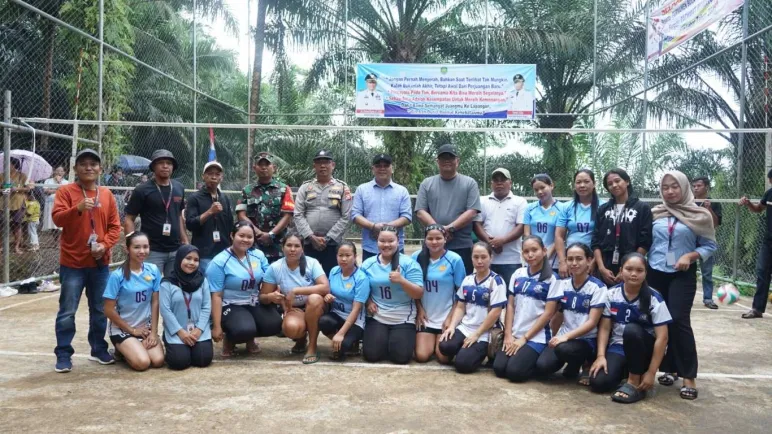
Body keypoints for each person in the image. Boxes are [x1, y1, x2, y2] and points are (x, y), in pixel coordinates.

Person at [648, 171, 716, 400]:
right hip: (655, 272)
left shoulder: (699, 214)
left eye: (675, 186)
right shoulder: (655, 213)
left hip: (682, 273)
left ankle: (688, 375)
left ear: (684, 187)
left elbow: (709, 245)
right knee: (660, 322)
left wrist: (690, 255)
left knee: (678, 320)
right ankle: (669, 367)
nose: (670, 191)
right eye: (665, 187)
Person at [52, 149, 121, 373]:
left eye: (93, 164)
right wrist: (78, 209)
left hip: (99, 264)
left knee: (100, 309)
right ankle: (63, 353)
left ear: (100, 169)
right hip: (72, 263)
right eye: (83, 164)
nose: (89, 167)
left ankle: (98, 348)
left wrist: (104, 245)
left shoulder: (107, 194)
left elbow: (115, 227)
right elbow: (57, 219)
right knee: (67, 311)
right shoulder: (66, 192)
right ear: (75, 168)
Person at [589, 253, 671, 404]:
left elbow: (662, 337)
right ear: (621, 271)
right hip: (619, 346)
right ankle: (624, 373)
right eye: (629, 269)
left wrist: (652, 372)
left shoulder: (654, 298)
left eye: (639, 270)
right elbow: (605, 328)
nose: (634, 274)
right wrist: (601, 356)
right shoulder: (611, 294)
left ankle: (634, 381)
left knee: (632, 330)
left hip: (644, 350)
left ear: (646, 273)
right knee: (598, 383)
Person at [207, 220, 283, 356]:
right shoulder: (219, 262)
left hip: (253, 301)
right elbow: (216, 296)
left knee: (275, 324)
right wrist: (217, 326)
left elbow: (269, 278)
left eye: (249, 237)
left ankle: (249, 338)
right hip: (230, 304)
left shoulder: (258, 255)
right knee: (243, 329)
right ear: (232, 235)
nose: (245, 240)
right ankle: (231, 338)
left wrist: (273, 293)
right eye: (241, 236)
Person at [493, 236, 562, 383]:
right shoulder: (518, 274)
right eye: (526, 251)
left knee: (514, 372)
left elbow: (548, 313)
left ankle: (539, 360)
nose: (530, 255)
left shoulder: (553, 278)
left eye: (534, 250)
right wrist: (508, 335)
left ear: (544, 251)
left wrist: (524, 339)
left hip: (536, 336)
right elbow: (510, 306)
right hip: (515, 333)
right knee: (499, 368)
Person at [535, 243, 607, 385]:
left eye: (579, 259)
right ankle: (572, 365)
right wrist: (553, 336)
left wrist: (565, 337)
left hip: (586, 340)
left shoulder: (598, 287)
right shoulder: (563, 285)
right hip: (565, 337)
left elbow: (592, 322)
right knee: (542, 366)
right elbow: (558, 314)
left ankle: (585, 362)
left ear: (589, 260)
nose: (574, 263)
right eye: (570, 259)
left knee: (564, 349)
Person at [261, 233, 330, 364]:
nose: (292, 249)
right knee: (291, 329)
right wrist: (271, 297)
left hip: (315, 307)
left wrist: (296, 291)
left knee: (314, 298)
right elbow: (262, 296)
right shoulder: (275, 267)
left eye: (297, 246)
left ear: (302, 248)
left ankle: (312, 346)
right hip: (294, 309)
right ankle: (301, 338)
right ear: (282, 247)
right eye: (289, 245)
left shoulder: (312, 263)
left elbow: (325, 287)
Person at [439, 242, 507, 373]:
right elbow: (460, 307)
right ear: (471, 258)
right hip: (466, 327)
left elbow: (495, 312)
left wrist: (476, 334)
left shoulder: (496, 281)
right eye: (476, 257)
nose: (479, 261)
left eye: (483, 257)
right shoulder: (468, 279)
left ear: (491, 258)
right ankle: (466, 350)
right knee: (445, 346)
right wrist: (452, 326)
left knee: (462, 365)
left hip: (484, 332)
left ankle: (480, 352)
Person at [362, 226, 424, 364]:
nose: (386, 245)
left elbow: (418, 293)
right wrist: (368, 302)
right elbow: (361, 290)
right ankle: (383, 340)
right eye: (382, 241)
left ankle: (394, 340)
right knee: (371, 355)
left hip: (403, 317)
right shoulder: (368, 264)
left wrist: (402, 280)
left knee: (401, 357)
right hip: (378, 315)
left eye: (391, 241)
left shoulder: (409, 264)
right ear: (377, 241)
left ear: (398, 241)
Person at [103, 232, 165, 371]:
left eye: (145, 247)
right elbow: (108, 310)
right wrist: (132, 330)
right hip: (122, 329)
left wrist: (153, 332)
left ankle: (133, 348)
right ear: (127, 249)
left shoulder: (153, 270)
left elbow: (155, 302)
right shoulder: (117, 275)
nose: (142, 251)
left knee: (158, 361)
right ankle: (122, 351)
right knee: (143, 363)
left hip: (144, 328)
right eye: (137, 247)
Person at [416, 144, 481, 274]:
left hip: (461, 245)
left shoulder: (470, 183)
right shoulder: (426, 183)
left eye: (450, 157)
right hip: (432, 246)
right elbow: (420, 212)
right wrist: (438, 231)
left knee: (462, 283)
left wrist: (450, 228)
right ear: (437, 161)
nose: (447, 161)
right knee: (430, 281)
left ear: (457, 161)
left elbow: (472, 211)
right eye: (443, 158)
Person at [125, 149, 189, 276]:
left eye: (169, 163)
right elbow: (129, 219)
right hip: (152, 250)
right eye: (161, 163)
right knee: (150, 284)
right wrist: (131, 243)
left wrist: (185, 240)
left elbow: (179, 216)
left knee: (172, 285)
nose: (165, 166)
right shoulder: (142, 190)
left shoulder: (179, 188)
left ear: (173, 167)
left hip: (175, 249)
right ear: (153, 166)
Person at [412, 225, 466, 363]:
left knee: (443, 357)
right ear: (425, 240)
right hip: (426, 317)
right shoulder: (416, 257)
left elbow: (461, 293)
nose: (434, 242)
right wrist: (419, 309)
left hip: (446, 315)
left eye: (438, 238)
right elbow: (413, 288)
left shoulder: (455, 259)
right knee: (422, 356)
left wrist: (450, 318)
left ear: (445, 239)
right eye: (430, 238)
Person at [294, 150, 352, 274]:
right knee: (306, 276)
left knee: (332, 275)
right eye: (319, 163)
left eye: (326, 162)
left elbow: (346, 216)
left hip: (333, 244)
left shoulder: (342, 187)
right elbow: (298, 214)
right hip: (308, 242)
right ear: (314, 166)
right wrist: (310, 236)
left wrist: (328, 238)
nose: (322, 166)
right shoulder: (305, 187)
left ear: (333, 165)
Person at [592, 168, 652, 286]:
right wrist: (601, 268)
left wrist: (628, 269)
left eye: (617, 181)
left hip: (631, 266)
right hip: (606, 265)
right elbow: (595, 240)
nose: (614, 185)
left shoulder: (642, 208)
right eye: (610, 184)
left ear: (627, 181)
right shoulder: (603, 209)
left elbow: (645, 241)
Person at [160, 245, 213, 370]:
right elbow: (165, 310)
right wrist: (181, 332)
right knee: (179, 362)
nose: (192, 263)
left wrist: (199, 329)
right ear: (179, 259)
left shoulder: (202, 281)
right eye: (188, 258)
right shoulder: (167, 283)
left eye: (196, 260)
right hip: (177, 331)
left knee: (203, 359)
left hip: (198, 330)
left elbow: (206, 306)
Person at [351, 153, 412, 261]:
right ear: (373, 169)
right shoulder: (362, 190)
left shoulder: (402, 191)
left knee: (396, 272)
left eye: (386, 166)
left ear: (392, 168)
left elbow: (407, 217)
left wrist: (386, 228)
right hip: (371, 248)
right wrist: (373, 226)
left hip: (395, 248)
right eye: (378, 166)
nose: (382, 168)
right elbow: (355, 215)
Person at [236, 152, 294, 263]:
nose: (263, 167)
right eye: (260, 165)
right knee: (253, 271)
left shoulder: (284, 189)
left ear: (274, 168)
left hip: (278, 245)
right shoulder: (247, 190)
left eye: (267, 164)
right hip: (253, 243)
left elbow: (288, 215)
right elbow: (241, 215)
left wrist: (271, 234)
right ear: (254, 168)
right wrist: (258, 233)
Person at [474, 167, 528, 285]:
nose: (499, 183)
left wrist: (502, 241)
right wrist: (491, 243)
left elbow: (521, 227)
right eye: (496, 180)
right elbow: (477, 224)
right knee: (486, 293)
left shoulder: (520, 201)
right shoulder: (482, 201)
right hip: (485, 260)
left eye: (503, 180)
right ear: (491, 183)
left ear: (510, 183)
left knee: (510, 293)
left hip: (511, 260)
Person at [319, 242, 370, 360]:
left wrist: (341, 334)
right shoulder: (334, 271)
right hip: (337, 314)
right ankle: (339, 341)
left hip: (355, 320)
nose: (344, 259)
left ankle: (351, 341)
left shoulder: (361, 278)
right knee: (323, 322)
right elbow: (328, 292)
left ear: (355, 257)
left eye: (348, 255)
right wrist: (327, 296)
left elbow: (356, 310)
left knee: (342, 348)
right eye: (340, 255)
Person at [185, 161, 234, 272]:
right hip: (204, 254)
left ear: (221, 177)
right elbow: (190, 224)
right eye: (210, 173)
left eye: (217, 174)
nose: (214, 177)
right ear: (203, 176)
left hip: (224, 253)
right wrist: (210, 212)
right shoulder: (194, 198)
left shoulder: (225, 198)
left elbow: (230, 225)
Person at [555, 169, 604, 278]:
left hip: (593, 259)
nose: (582, 185)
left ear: (594, 184)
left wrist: (594, 261)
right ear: (574, 185)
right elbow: (559, 236)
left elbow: (605, 239)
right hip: (572, 259)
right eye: (578, 182)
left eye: (586, 182)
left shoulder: (603, 207)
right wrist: (563, 261)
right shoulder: (566, 207)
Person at [739, 170, 772, 318]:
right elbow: (758, 209)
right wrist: (748, 203)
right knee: (762, 272)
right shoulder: (769, 194)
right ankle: (757, 309)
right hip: (768, 241)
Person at [692, 176, 722, 309]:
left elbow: (715, 224)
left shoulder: (714, 203)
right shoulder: (688, 202)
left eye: (699, 186)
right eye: (694, 186)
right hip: (689, 240)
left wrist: (708, 209)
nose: (696, 188)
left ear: (706, 187)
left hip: (706, 241)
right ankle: (686, 298)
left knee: (707, 272)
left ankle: (708, 299)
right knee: (687, 271)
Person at [523, 174, 563, 271]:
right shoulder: (529, 208)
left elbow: (560, 236)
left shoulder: (562, 208)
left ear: (551, 186)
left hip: (552, 260)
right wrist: (534, 254)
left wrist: (545, 255)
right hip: (533, 258)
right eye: (536, 190)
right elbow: (527, 234)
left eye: (542, 187)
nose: (540, 192)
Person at [1, 157, 29, 254]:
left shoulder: (22, 176)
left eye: (8, 164)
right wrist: (4, 190)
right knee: (2, 225)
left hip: (18, 202)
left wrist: (17, 189)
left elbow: (28, 188)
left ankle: (17, 247)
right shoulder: (2, 175)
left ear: (14, 165)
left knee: (17, 225)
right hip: (3, 203)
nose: (5, 165)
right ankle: (1, 246)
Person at [42, 165, 69, 239]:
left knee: (61, 222)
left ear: (64, 172)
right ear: (54, 171)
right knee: (52, 223)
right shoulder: (48, 181)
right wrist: (58, 189)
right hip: (50, 203)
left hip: (62, 204)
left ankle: (59, 240)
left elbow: (66, 193)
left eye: (61, 171)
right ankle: (55, 239)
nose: (59, 172)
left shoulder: (67, 182)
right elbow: (46, 191)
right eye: (57, 170)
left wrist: (58, 183)